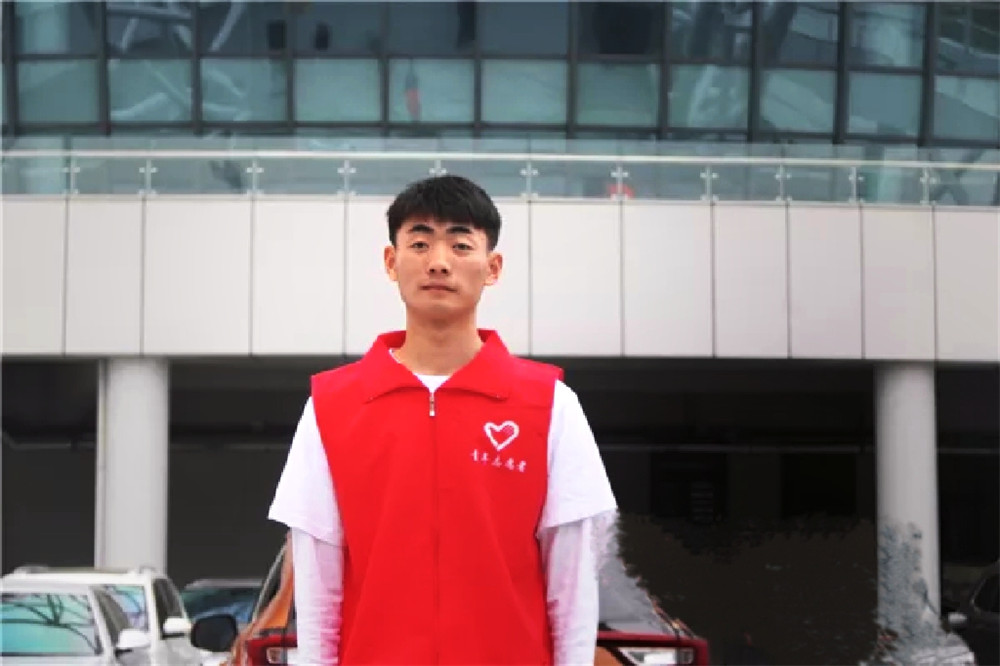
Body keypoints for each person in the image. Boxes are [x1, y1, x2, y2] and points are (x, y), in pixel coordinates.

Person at [268, 175, 617, 665]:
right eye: (419, 243)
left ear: (492, 267)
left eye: (460, 244)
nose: (438, 261)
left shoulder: (549, 404)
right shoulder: (332, 405)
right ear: (391, 262)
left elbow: (572, 583)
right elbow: (317, 585)